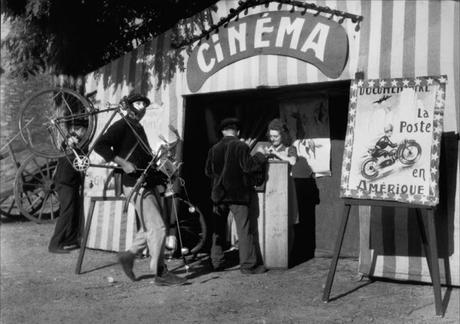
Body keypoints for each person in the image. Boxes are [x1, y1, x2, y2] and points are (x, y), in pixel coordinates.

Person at [94, 92, 186, 286]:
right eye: (137, 104)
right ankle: (160, 273)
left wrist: (164, 169)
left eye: (144, 105)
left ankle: (128, 256)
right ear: (129, 106)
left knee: (148, 227)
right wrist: (122, 162)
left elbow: (143, 160)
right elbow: (100, 146)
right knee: (158, 227)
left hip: (145, 181)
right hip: (132, 183)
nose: (142, 108)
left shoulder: (138, 128)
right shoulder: (121, 126)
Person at [205, 117, 267, 274]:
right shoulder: (241, 146)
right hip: (238, 195)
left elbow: (208, 172)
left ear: (222, 132)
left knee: (218, 230)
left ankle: (217, 262)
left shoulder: (214, 149)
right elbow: (249, 167)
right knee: (244, 230)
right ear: (238, 132)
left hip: (219, 195)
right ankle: (248, 265)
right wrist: (260, 156)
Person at [265, 118, 318, 262]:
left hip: (286, 190)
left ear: (283, 135)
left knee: (288, 222)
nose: (273, 139)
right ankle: (273, 254)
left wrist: (276, 154)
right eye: (271, 136)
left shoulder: (290, 149)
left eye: (276, 136)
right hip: (271, 192)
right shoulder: (269, 148)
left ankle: (287, 254)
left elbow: (293, 161)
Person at [48, 119, 88, 254]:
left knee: (74, 210)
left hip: (72, 182)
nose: (84, 132)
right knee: (67, 212)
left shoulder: (80, 143)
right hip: (65, 182)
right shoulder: (71, 140)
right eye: (82, 130)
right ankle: (54, 244)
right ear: (77, 130)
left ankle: (69, 239)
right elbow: (67, 146)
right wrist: (70, 143)